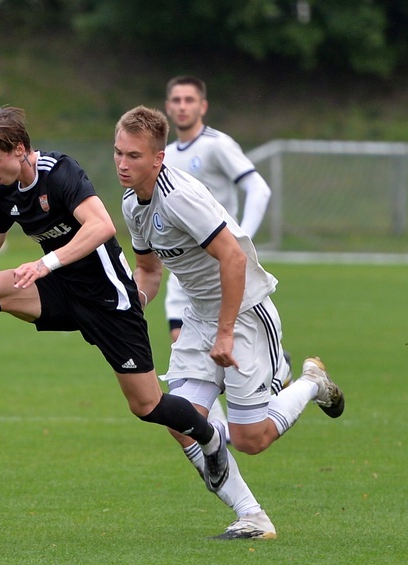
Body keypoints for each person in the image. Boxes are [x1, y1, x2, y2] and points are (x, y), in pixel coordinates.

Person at [0, 106, 229, 494]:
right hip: (61, 292)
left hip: (108, 299)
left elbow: (102, 225)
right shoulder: (4, 191)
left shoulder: (60, 172)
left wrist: (45, 264)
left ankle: (209, 437)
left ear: (18, 149)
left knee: (147, 406)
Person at [114, 105, 345, 538]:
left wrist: (224, 334)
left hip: (243, 315)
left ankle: (311, 382)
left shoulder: (179, 196)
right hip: (198, 315)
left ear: (158, 158)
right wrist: (128, 309)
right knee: (178, 418)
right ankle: (252, 517)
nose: (123, 165)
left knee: (250, 440)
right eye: (118, 153)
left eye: (134, 156)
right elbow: (148, 271)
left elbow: (234, 257)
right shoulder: (132, 204)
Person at [162, 76, 276, 431]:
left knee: (224, 350)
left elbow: (259, 189)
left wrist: (241, 240)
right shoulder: (162, 155)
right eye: (176, 100)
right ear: (167, 106)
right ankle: (218, 435)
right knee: (183, 344)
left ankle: (273, 375)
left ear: (202, 106)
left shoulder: (216, 145)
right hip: (185, 271)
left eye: (189, 100)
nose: (182, 106)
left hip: (223, 266)